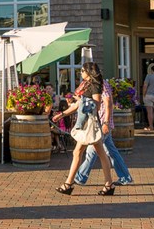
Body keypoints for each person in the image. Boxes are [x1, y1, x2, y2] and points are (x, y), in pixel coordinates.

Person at [52, 62, 116, 196]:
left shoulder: (95, 86)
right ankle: (108, 185)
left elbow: (97, 105)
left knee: (82, 153)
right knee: (95, 154)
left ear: (89, 72)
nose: (81, 73)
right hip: (87, 124)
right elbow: (77, 105)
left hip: (90, 124)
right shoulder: (85, 86)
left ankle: (69, 184)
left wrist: (84, 102)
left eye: (82, 70)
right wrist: (62, 114)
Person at [73, 78, 134, 186]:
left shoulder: (102, 84)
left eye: (83, 71)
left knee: (91, 151)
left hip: (100, 123)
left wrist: (105, 123)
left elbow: (108, 102)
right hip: (98, 123)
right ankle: (125, 177)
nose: (81, 73)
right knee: (111, 152)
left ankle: (80, 178)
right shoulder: (88, 84)